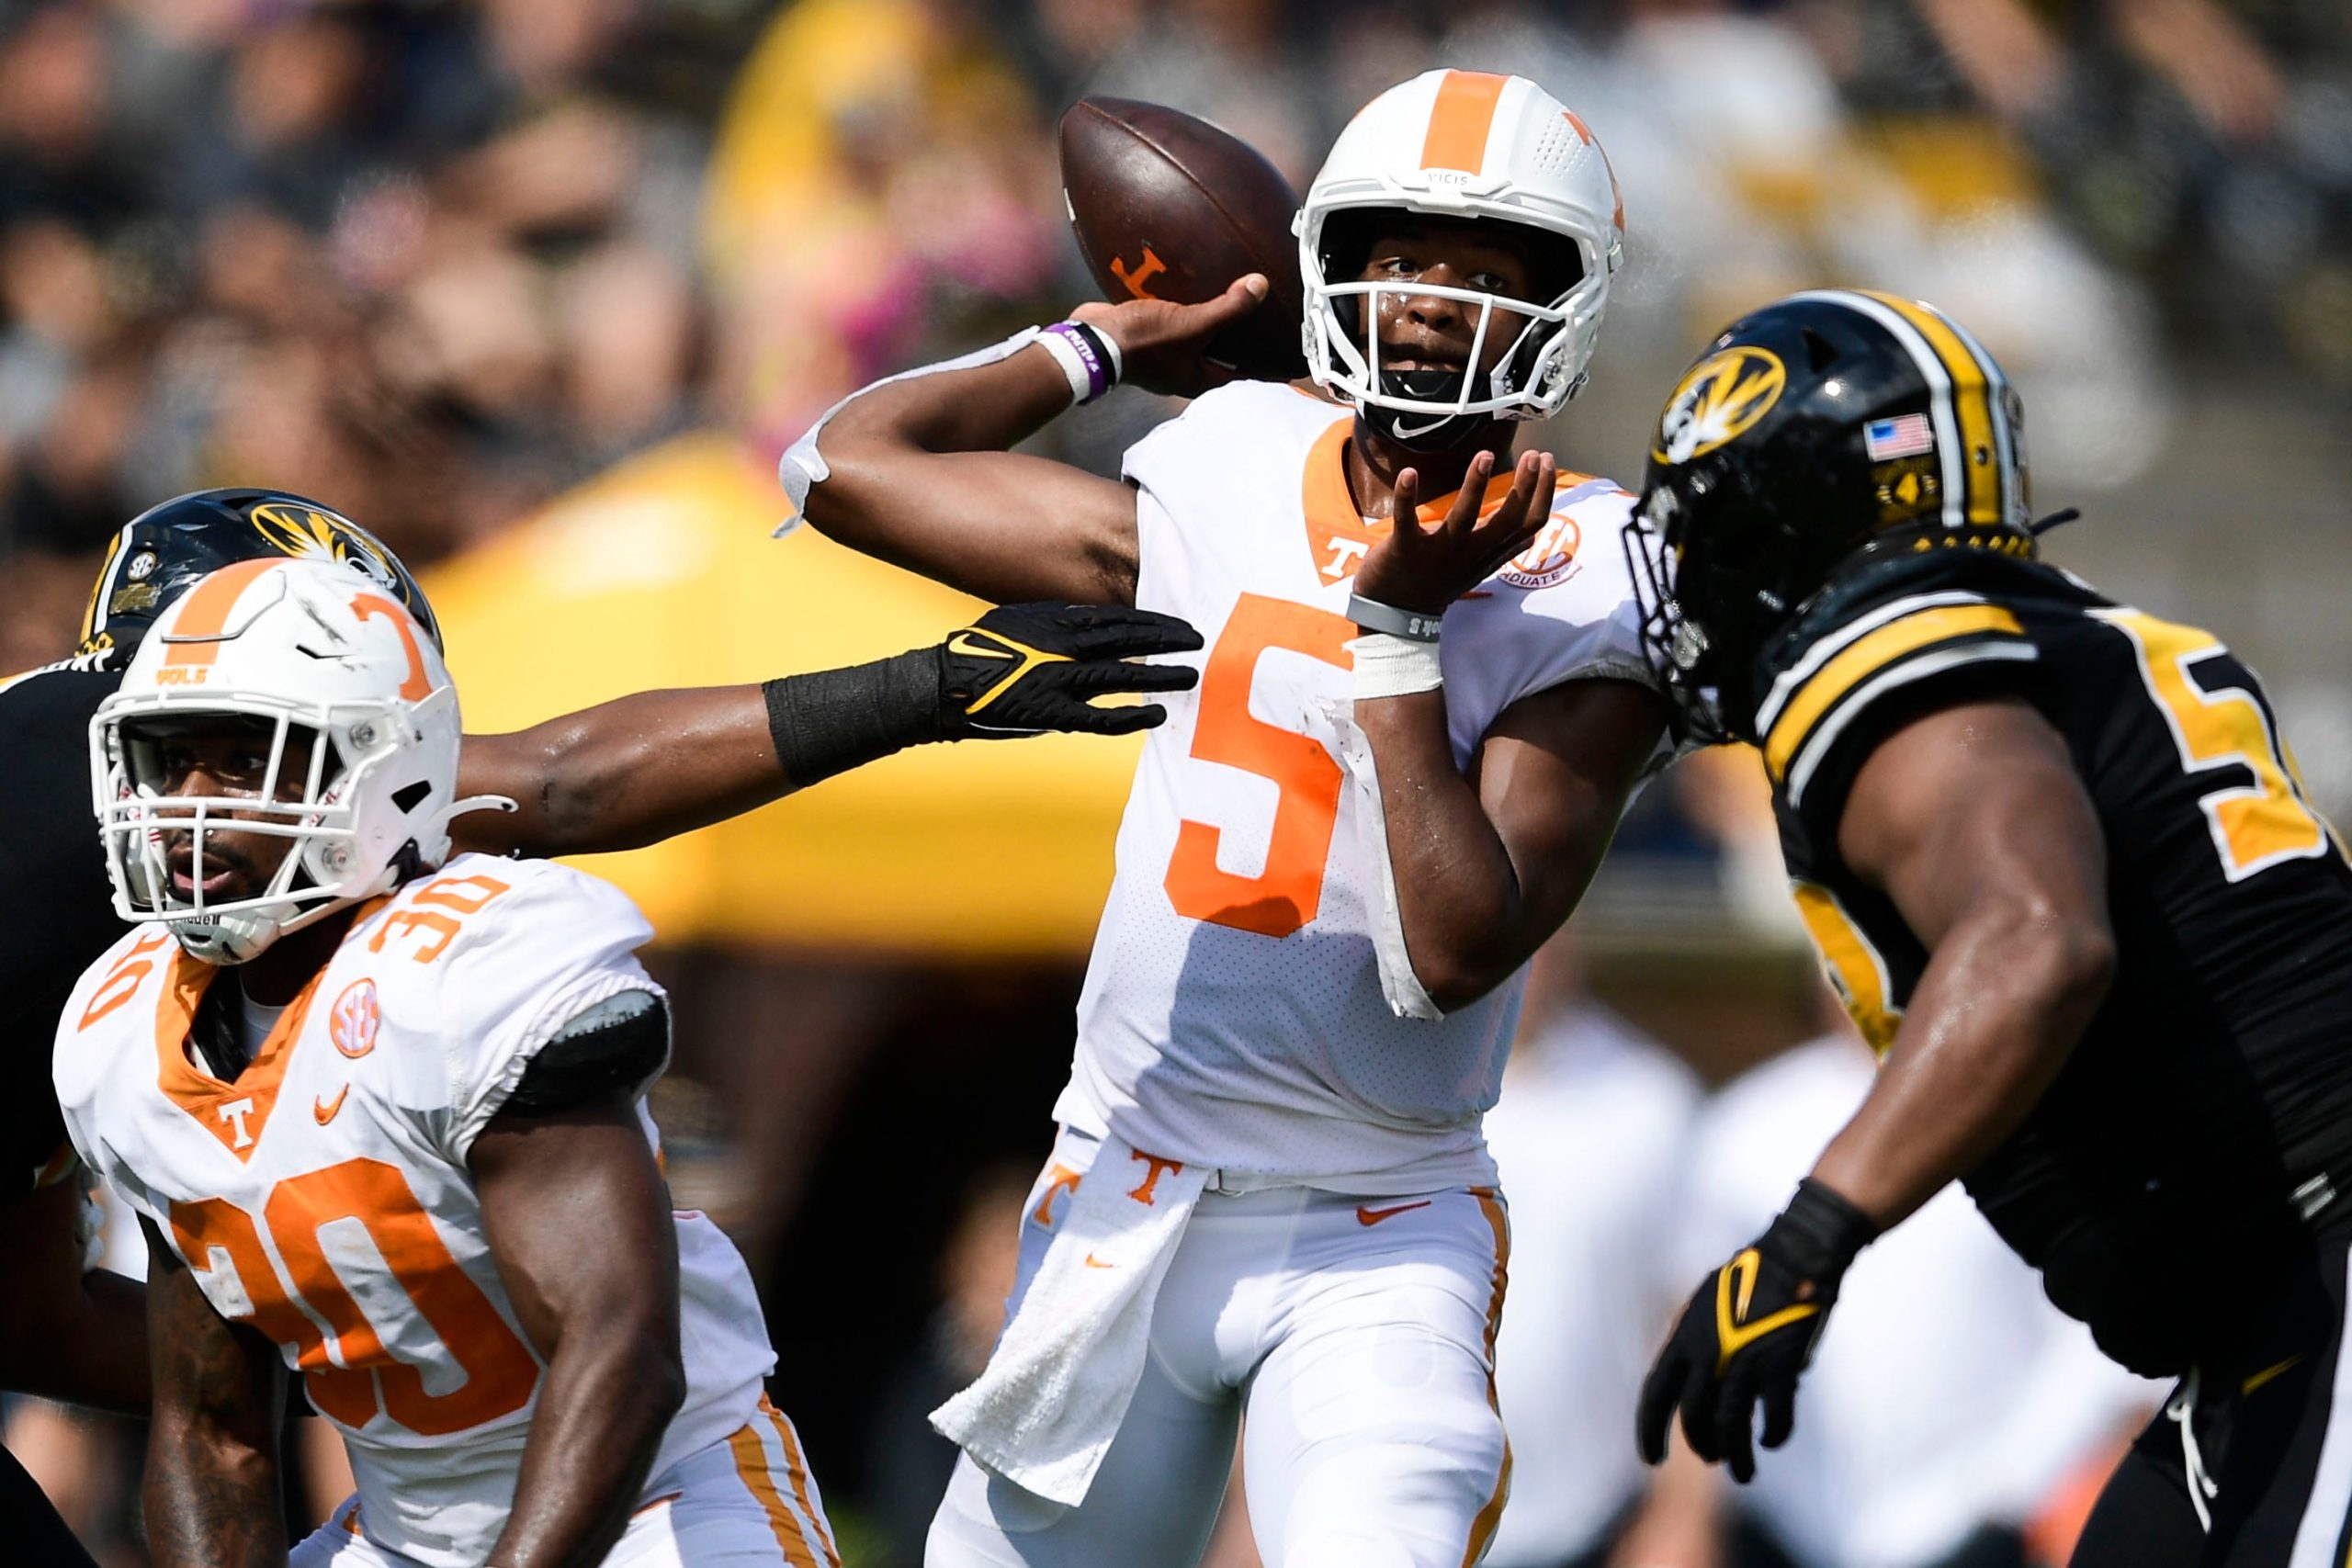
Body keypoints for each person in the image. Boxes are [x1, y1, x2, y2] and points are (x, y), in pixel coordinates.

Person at [786, 69, 1662, 1567]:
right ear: (1332, 268)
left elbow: (1453, 950)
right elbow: (839, 468)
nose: (1430, 301)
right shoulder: (1231, 454)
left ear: (1560, 304)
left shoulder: (1592, 566)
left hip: (1378, 1217)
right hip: (1125, 1181)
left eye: (1482, 270)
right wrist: (1095, 345)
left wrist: (1397, 634)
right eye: (1401, 255)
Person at [3, 487, 1198, 1562]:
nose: (193, 806)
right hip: (414, 1521)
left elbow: (614, 1356)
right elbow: (566, 777)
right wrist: (924, 688)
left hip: (650, 1511)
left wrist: (365, 1336)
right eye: (173, 756)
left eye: (239, 756)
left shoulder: (452, 966)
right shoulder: (121, 1012)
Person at [1619, 289, 2352, 1565]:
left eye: (1715, 527)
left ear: (1796, 517)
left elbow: (2036, 939)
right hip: (2264, 1315)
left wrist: (1807, 1242)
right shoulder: (2055, 632)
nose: (1698, 575)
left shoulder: (1887, 659)